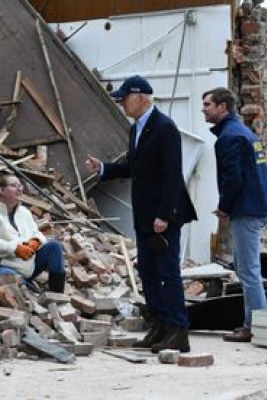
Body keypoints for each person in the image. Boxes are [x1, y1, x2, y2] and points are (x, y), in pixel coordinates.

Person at [85, 75, 197, 353]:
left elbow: (173, 175)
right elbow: (136, 169)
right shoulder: (137, 129)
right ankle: (159, 324)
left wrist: (165, 215)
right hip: (145, 214)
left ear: (142, 98)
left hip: (162, 214)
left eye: (125, 98)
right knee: (147, 271)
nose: (122, 103)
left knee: (168, 272)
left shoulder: (164, 127)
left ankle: (177, 330)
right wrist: (104, 169)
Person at [202, 87, 267, 342]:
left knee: (248, 271)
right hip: (255, 206)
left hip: (247, 210)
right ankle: (257, 322)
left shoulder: (229, 137)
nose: (203, 109)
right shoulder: (242, 132)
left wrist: (224, 206)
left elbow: (232, 177)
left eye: (207, 105)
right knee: (248, 269)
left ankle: (256, 326)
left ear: (223, 107)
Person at [0, 174, 66, 293]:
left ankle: (56, 294)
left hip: (25, 267)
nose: (19, 189)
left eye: (20, 186)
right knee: (11, 277)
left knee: (54, 247)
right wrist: (15, 249)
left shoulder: (24, 212)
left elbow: (36, 233)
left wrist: (35, 242)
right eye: (14, 186)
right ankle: (27, 289)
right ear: (1, 190)